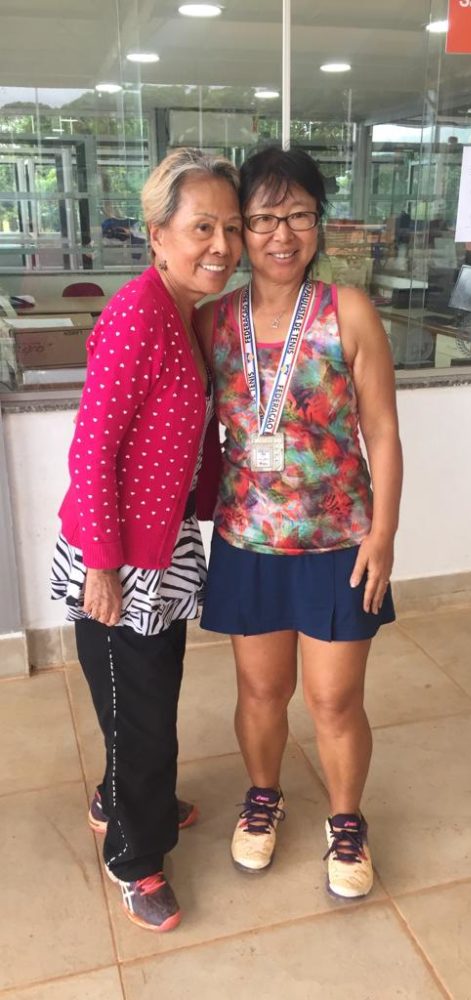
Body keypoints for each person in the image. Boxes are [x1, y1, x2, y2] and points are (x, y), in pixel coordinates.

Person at [196, 146, 403, 900]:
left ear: (320, 221)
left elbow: (382, 430)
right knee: (261, 690)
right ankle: (263, 797)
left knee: (334, 700)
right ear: (240, 229)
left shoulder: (349, 310)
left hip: (339, 541)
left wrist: (384, 533)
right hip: (248, 539)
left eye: (299, 215)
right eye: (263, 219)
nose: (282, 234)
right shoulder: (213, 320)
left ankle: (346, 821)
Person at [50, 148, 242, 931]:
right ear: (158, 235)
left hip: (159, 549)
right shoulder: (137, 314)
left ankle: (122, 796)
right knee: (141, 713)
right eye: (203, 227)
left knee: (145, 697)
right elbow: (91, 448)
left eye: (232, 228)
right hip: (118, 557)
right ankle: (135, 856)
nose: (222, 246)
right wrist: (101, 565)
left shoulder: (185, 313)